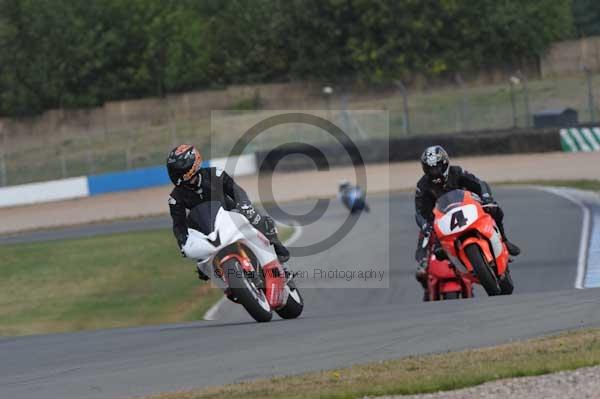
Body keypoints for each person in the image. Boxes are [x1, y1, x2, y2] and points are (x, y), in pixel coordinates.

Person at [166, 144, 290, 280]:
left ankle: (279, 255)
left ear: (192, 165)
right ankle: (228, 281)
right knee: (202, 267)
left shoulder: (215, 174)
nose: (176, 175)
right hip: (206, 229)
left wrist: (245, 206)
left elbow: (235, 190)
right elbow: (179, 225)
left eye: (179, 171)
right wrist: (182, 243)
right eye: (174, 172)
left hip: (231, 214)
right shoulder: (175, 198)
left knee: (258, 219)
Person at [414, 145, 520, 299]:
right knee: (425, 235)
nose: (434, 172)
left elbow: (479, 183)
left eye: (437, 168)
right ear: (425, 170)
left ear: (444, 164)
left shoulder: (457, 172)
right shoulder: (422, 186)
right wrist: (425, 224)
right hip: (441, 219)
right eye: (431, 169)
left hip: (468, 207)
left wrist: (486, 197)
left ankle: (505, 240)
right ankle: (424, 262)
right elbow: (419, 211)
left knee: (495, 209)